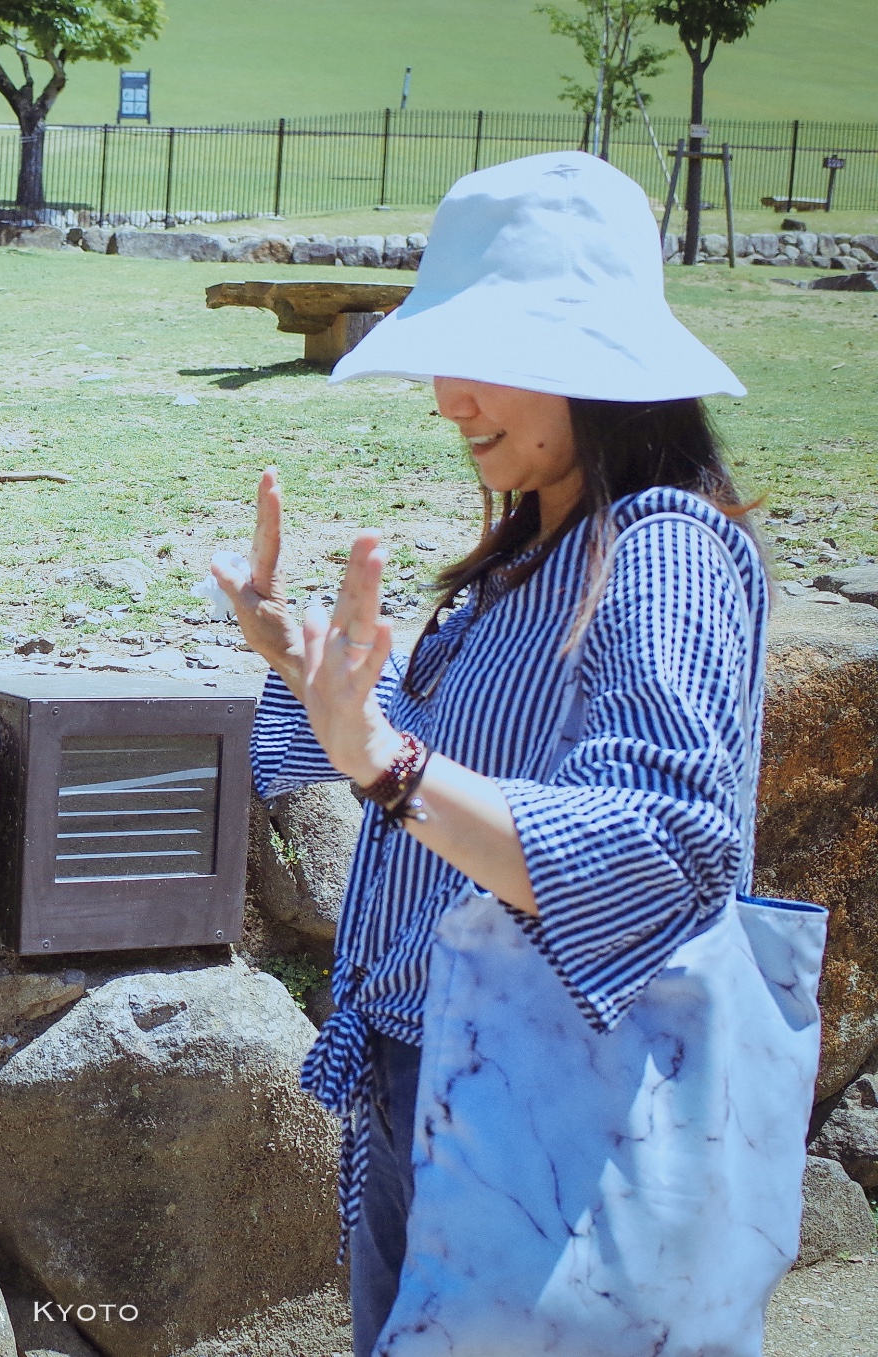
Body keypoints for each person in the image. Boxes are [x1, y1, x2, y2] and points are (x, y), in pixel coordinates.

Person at [210, 150, 821, 1357]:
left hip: (544, 1115)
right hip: (437, 1084)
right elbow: (424, 772)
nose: (447, 398)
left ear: (592, 363)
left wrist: (388, 762)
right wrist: (304, 674)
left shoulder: (659, 549)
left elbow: (664, 842)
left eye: (484, 356)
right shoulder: (536, 549)